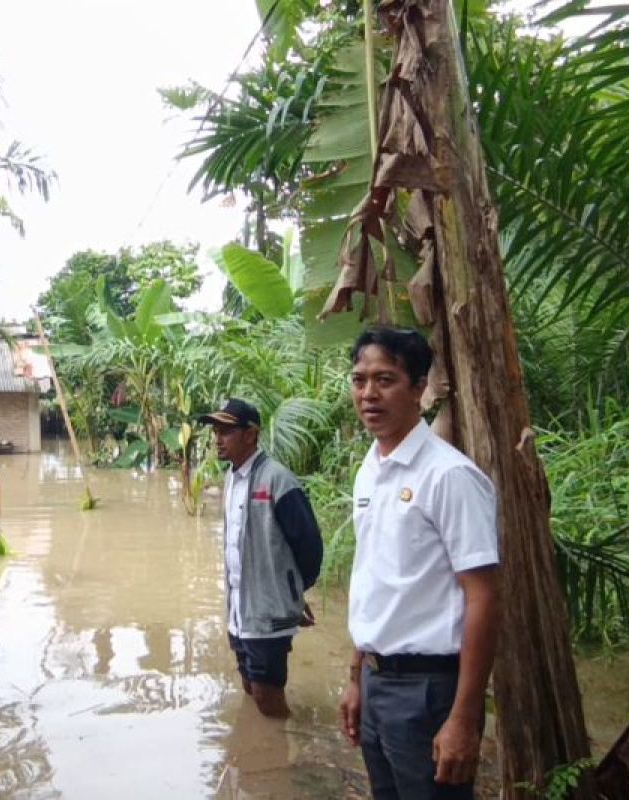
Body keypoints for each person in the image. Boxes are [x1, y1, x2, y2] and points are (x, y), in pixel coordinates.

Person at [338, 328, 501, 799]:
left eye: (385, 379)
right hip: (377, 681)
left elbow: (483, 595)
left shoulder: (449, 477)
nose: (368, 393)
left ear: (419, 388)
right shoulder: (371, 467)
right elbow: (374, 578)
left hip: (429, 690)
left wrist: (464, 718)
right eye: (359, 379)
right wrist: (356, 677)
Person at [198, 398, 323, 718]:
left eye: (226, 431)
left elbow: (309, 546)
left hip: (268, 613)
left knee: (268, 695)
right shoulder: (231, 479)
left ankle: (281, 752)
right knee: (249, 687)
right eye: (216, 431)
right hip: (239, 608)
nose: (218, 439)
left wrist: (291, 593)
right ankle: (260, 751)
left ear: (250, 435)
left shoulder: (278, 480)